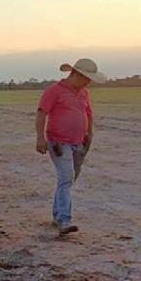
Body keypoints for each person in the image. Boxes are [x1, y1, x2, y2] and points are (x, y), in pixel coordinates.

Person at [35, 58, 106, 235]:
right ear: (76, 74)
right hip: (59, 143)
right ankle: (64, 220)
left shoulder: (84, 93)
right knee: (66, 178)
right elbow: (41, 113)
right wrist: (40, 138)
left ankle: (57, 215)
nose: (89, 82)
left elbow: (88, 114)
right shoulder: (54, 91)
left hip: (79, 142)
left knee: (67, 180)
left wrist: (89, 133)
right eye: (87, 78)